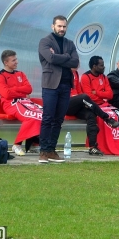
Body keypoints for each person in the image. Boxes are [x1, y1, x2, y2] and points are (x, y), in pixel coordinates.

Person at [38, 15, 79, 163]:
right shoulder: (45, 41)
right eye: (59, 26)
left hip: (66, 85)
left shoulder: (69, 43)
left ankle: (51, 150)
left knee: (58, 120)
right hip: (50, 85)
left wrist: (62, 57)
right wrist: (66, 58)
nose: (62, 29)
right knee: (48, 118)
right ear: (53, 26)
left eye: (64, 26)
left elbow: (76, 62)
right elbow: (50, 58)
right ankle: (43, 151)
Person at [79, 56, 119, 156]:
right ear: (94, 66)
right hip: (93, 106)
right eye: (101, 65)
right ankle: (104, 147)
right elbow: (88, 96)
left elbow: (110, 95)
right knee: (104, 118)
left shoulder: (104, 77)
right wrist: (102, 94)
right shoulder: (86, 77)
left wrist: (97, 92)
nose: (104, 67)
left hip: (105, 104)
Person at [66, 59, 119, 156]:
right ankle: (107, 118)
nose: (77, 63)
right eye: (74, 61)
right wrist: (80, 98)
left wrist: (81, 101)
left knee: (91, 115)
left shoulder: (76, 73)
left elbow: (79, 91)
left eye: (78, 61)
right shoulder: (64, 73)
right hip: (65, 104)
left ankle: (92, 147)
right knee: (85, 97)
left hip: (77, 105)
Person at [0, 50, 42, 156]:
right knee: (31, 116)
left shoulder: (20, 73)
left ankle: (34, 144)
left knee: (42, 114)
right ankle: (17, 144)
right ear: (6, 62)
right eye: (13, 60)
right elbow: (6, 94)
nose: (17, 62)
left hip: (25, 102)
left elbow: (29, 89)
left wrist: (13, 89)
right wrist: (21, 92)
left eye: (16, 59)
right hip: (10, 104)